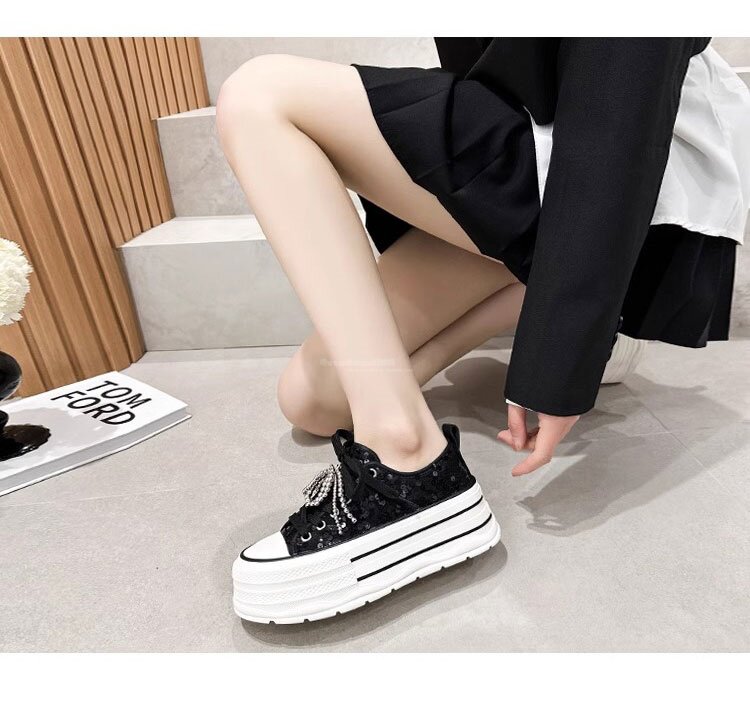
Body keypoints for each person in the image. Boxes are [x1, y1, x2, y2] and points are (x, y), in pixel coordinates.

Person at [217, 38, 750, 623]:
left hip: (629, 157)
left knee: (257, 96)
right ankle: (593, 309)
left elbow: (620, 99)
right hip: (532, 134)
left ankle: (406, 454)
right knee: (312, 400)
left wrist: (564, 353)